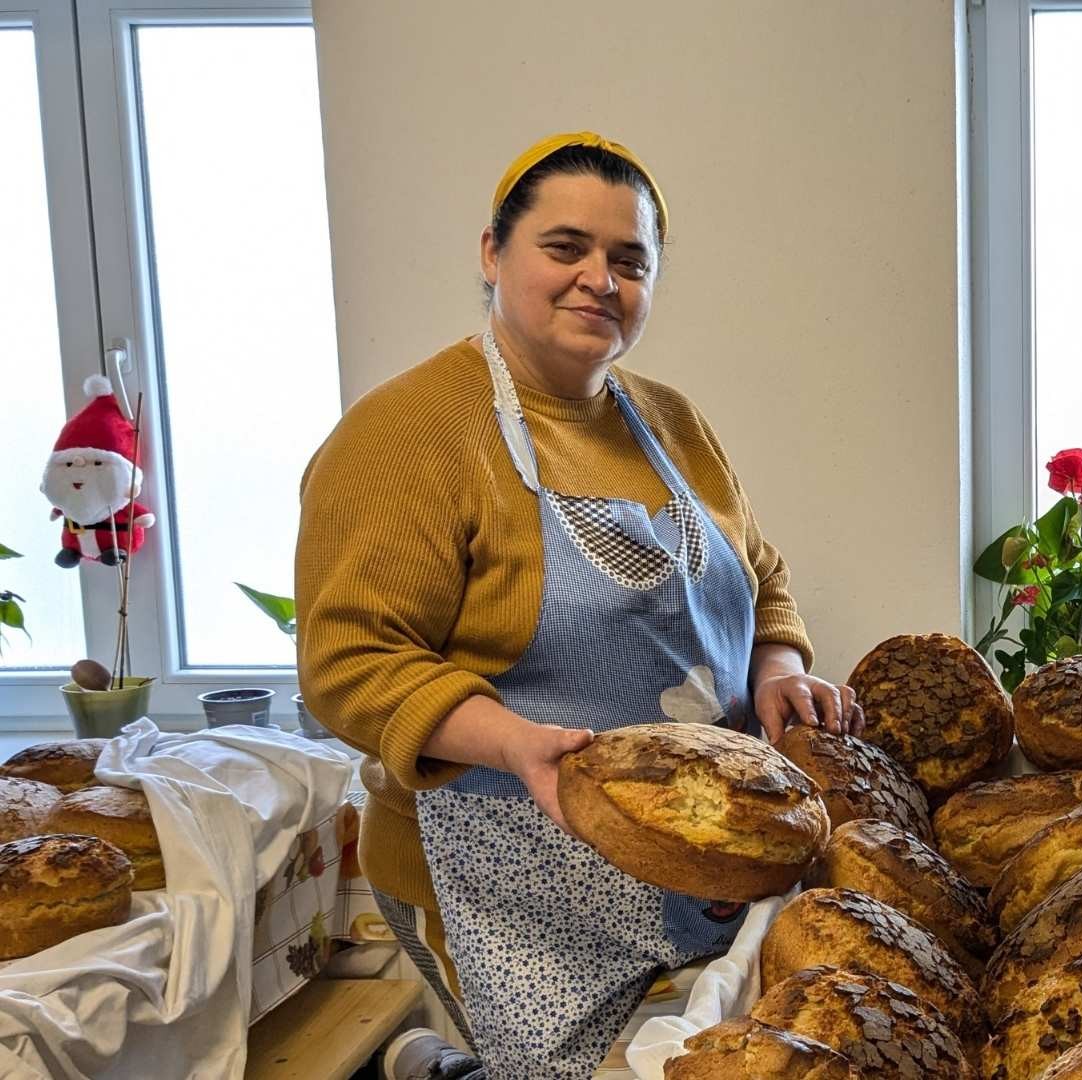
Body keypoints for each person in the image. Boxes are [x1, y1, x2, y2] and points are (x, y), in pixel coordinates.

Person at [295, 131, 860, 1078]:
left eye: (629, 261)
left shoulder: (672, 421)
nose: (599, 279)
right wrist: (516, 741)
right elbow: (348, 664)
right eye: (566, 248)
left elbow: (761, 574)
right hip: (506, 870)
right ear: (493, 252)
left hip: (691, 857)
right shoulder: (407, 434)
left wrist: (779, 668)